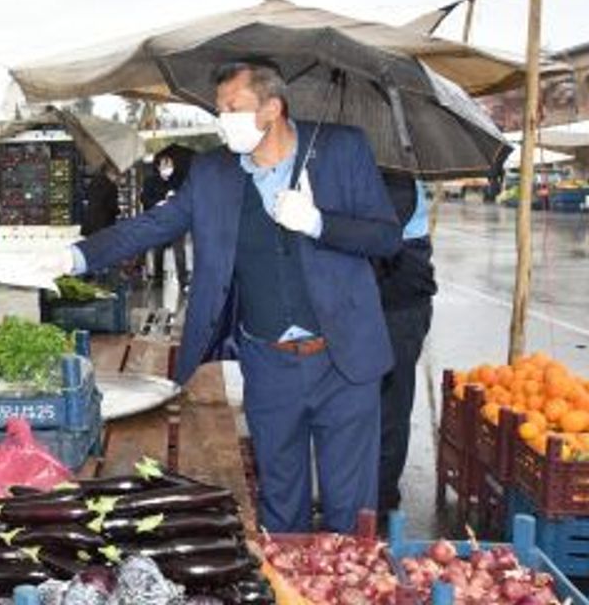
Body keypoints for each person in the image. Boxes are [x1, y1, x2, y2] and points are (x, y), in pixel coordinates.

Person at [38, 61, 402, 533]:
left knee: (351, 513)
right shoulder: (214, 173)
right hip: (269, 363)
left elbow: (386, 239)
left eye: (234, 107)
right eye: (219, 109)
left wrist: (319, 223)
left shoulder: (340, 148)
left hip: (344, 360)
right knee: (280, 505)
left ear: (272, 108)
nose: (222, 118)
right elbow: (153, 225)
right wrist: (74, 258)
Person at [374, 173, 437, 515]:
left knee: (390, 406)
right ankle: (363, 493)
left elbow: (379, 242)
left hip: (399, 307)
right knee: (363, 407)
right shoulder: (371, 172)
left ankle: (380, 499)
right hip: (378, 305)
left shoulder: (395, 180)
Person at [140, 146, 194, 286]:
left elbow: (186, 200)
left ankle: (183, 280)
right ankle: (158, 279)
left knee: (179, 252)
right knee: (158, 250)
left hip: (176, 221)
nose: (168, 167)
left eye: (170, 164)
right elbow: (145, 199)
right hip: (159, 221)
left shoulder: (178, 181)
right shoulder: (150, 181)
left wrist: (175, 198)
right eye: (165, 165)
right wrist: (159, 201)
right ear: (158, 166)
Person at [81, 165, 120, 236]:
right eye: (116, 174)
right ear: (110, 173)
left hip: (90, 222)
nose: (117, 177)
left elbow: (88, 196)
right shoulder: (111, 186)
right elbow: (112, 206)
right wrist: (118, 211)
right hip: (104, 223)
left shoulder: (94, 182)